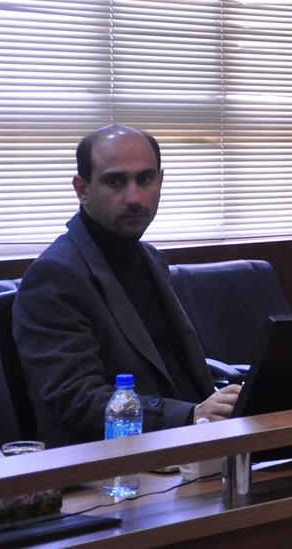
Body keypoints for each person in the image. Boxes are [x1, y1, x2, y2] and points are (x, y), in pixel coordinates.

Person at [13, 125, 240, 447]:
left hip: (188, 446)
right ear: (82, 189)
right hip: (106, 459)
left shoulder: (150, 258)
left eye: (145, 179)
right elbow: (78, 399)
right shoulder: (54, 276)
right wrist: (189, 416)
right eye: (115, 182)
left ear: (160, 182)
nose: (134, 197)